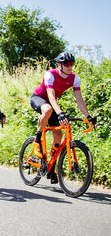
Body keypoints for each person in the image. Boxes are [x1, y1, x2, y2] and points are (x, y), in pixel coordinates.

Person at [30, 51, 97, 183]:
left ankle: (51, 167)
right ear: (59, 65)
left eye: (71, 64)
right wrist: (59, 113)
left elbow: (79, 99)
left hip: (51, 102)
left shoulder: (74, 78)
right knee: (48, 109)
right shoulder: (50, 74)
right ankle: (37, 140)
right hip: (38, 98)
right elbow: (50, 96)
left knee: (58, 135)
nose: (69, 66)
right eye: (66, 64)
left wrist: (88, 116)